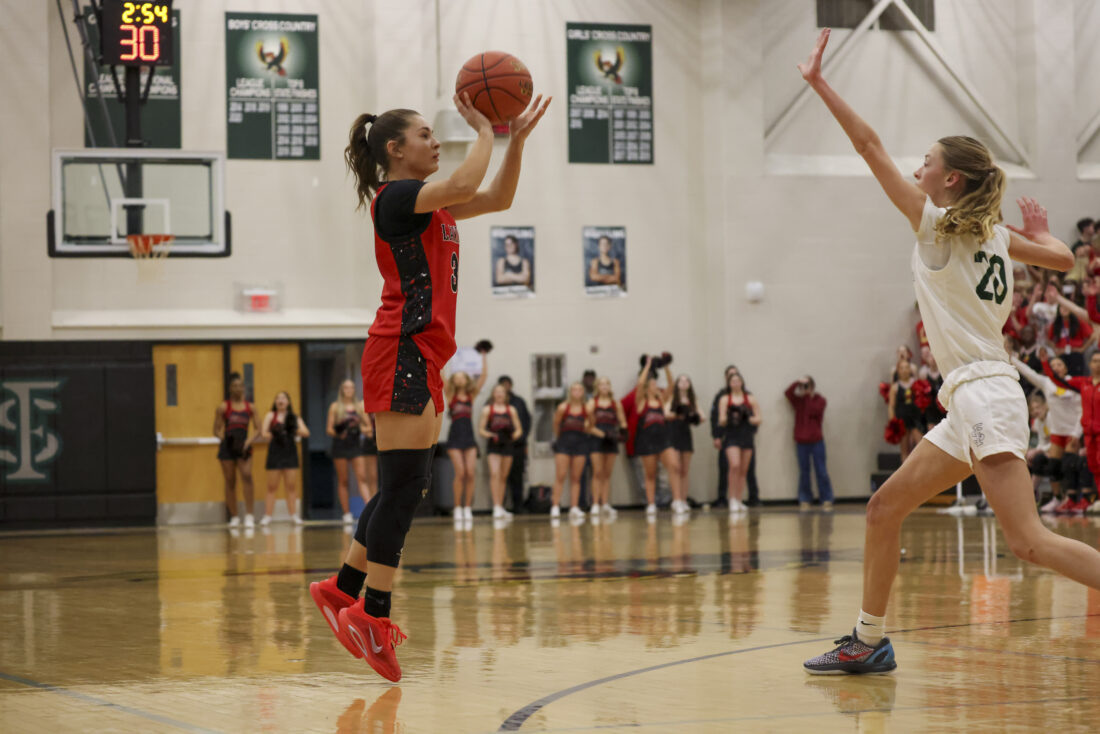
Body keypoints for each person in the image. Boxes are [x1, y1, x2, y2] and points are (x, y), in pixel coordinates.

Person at [796, 28, 1100, 676]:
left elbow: (869, 145)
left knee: (1028, 541)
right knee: (884, 509)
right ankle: (869, 640)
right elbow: (1062, 259)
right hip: (969, 399)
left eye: (927, 161)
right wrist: (1043, 230)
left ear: (950, 178)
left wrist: (820, 83)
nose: (917, 170)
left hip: (985, 392)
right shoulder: (993, 233)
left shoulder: (937, 227)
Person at [309, 90, 550, 682]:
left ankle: (344, 589)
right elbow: (468, 182)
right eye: (425, 135)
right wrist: (486, 129)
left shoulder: (430, 208)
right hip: (402, 348)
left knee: (404, 484)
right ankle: (373, 613)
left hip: (420, 354)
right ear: (396, 149)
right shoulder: (396, 198)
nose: (436, 142)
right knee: (405, 487)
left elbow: (496, 196)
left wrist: (514, 141)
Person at [634, 356, 682, 517]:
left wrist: (666, 366)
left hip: (663, 439)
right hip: (647, 440)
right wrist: (647, 366)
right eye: (653, 384)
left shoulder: (661, 399)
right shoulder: (642, 401)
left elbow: (672, 385)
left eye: (656, 384)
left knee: (674, 465)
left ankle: (677, 501)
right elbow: (640, 384)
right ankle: (651, 504)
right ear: (648, 387)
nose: (656, 386)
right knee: (650, 473)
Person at [214, 372, 261, 530]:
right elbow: (216, 430)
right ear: (230, 388)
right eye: (234, 386)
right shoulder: (223, 407)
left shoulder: (250, 407)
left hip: (244, 446)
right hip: (228, 447)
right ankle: (234, 516)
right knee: (230, 480)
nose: (237, 388)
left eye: (240, 386)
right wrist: (226, 439)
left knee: (247, 476)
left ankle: (249, 515)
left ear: (244, 388)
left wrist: (248, 442)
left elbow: (258, 429)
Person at [444, 356, 488, 524]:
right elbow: (441, 376)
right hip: (455, 437)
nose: (460, 379)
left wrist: (483, 355)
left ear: (466, 379)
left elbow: (483, 377)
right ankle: (457, 508)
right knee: (460, 473)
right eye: (457, 377)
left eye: (463, 377)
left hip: (469, 437)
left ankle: (467, 507)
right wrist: (442, 357)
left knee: (470, 473)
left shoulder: (471, 395)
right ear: (454, 380)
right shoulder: (450, 395)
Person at [259, 391, 311, 525]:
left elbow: (306, 432)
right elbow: (263, 433)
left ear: (288, 402)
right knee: (271, 486)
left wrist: (294, 429)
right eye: (278, 398)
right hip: (275, 453)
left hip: (290, 453)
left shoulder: (294, 417)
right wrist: (274, 432)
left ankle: (293, 515)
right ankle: (268, 516)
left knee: (291, 486)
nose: (280, 400)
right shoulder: (271, 415)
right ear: (275, 402)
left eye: (283, 398)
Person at [785, 376, 834, 510]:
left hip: (817, 441)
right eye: (802, 386)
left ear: (812, 386)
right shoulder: (798, 401)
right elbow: (788, 393)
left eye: (806, 385)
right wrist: (797, 382)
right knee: (804, 471)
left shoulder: (820, 400)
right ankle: (805, 498)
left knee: (821, 470)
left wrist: (807, 396)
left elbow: (814, 410)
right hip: (801, 441)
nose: (804, 388)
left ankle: (826, 497)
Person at [327, 380, 372, 524]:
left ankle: (369, 509)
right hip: (340, 445)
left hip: (355, 445)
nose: (349, 390)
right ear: (342, 389)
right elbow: (329, 429)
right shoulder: (335, 407)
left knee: (362, 477)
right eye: (346, 387)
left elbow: (369, 428)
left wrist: (357, 427)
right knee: (343, 480)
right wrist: (340, 432)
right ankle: (346, 513)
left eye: (351, 387)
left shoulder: (359, 407)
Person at [716, 370, 761, 513]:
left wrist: (747, 415)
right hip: (732, 435)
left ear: (742, 382)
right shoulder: (725, 399)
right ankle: (732, 499)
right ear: (729, 384)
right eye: (732, 381)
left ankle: (739, 499)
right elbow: (721, 420)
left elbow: (758, 418)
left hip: (746, 435)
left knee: (743, 469)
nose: (735, 383)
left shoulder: (750, 398)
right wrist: (731, 417)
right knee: (734, 465)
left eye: (737, 381)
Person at [478, 384, 523, 520]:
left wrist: (514, 435)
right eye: (496, 391)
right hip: (494, 445)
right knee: (495, 474)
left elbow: (519, 429)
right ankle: (496, 506)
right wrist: (491, 435)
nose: (499, 394)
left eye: (501, 392)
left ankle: (501, 506)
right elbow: (481, 429)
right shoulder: (488, 409)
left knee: (503, 476)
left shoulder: (511, 410)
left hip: (507, 445)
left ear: (505, 394)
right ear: (493, 394)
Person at [587, 376, 628, 519]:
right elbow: (587, 425)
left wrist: (623, 433)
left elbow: (623, 421)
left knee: (607, 473)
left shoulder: (616, 404)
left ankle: (605, 503)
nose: (604, 387)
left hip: (611, 439)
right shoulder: (592, 403)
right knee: (597, 472)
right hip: (597, 439)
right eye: (601, 384)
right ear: (597, 387)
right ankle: (595, 504)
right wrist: (602, 434)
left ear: (610, 387)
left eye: (607, 384)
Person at [551, 382, 592, 521]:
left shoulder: (587, 408)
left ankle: (574, 507)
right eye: (574, 389)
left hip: (580, 444)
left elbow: (591, 423)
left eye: (580, 389)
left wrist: (587, 427)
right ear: (570, 392)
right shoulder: (563, 407)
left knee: (576, 477)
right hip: (564, 443)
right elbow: (556, 424)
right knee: (560, 475)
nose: (577, 392)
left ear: (583, 392)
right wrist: (559, 439)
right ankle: (555, 506)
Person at [666, 374, 702, 515]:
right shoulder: (672, 398)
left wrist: (693, 416)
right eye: (681, 380)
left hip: (685, 434)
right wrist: (677, 414)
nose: (684, 382)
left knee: (685, 470)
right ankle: (676, 500)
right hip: (673, 433)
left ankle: (683, 499)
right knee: (675, 467)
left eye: (687, 380)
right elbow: (666, 413)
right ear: (677, 384)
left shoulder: (692, 400)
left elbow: (702, 416)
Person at [498, 375, 531, 513]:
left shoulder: (518, 402)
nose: (506, 387)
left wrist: (521, 438)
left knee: (517, 477)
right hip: (499, 446)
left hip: (517, 444)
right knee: (501, 476)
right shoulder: (492, 403)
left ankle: (518, 506)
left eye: (508, 384)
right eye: (503, 385)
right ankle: (500, 506)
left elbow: (527, 421)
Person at [889, 359, 924, 462]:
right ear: (898, 371)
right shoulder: (895, 387)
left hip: (915, 418)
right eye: (902, 368)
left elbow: (922, 400)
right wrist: (893, 422)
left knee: (921, 445)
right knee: (904, 449)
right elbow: (891, 406)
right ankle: (905, 468)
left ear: (910, 369)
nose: (904, 370)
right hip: (902, 420)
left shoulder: (916, 383)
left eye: (906, 367)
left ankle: (920, 467)